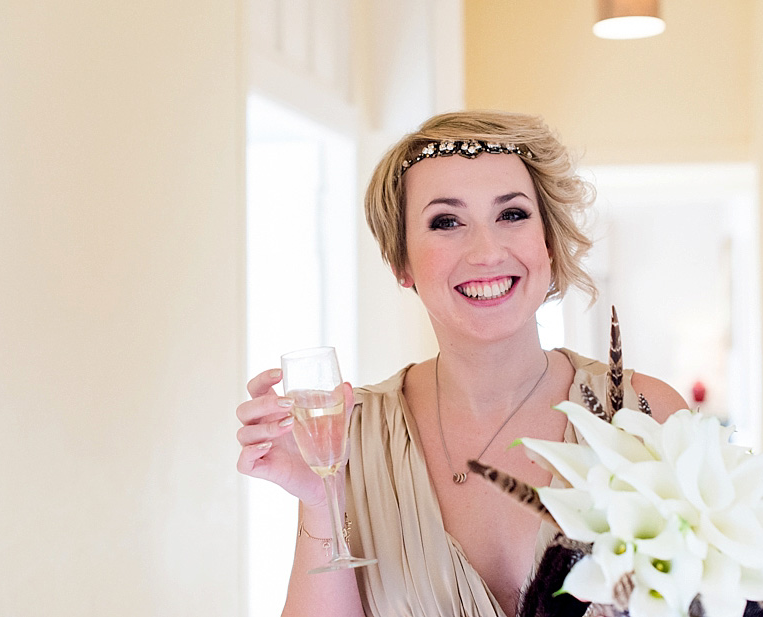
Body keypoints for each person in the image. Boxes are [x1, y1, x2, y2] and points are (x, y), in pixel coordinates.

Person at [236, 110, 688, 617]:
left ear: (548, 241)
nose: (487, 251)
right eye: (446, 222)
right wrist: (320, 499)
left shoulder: (647, 414)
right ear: (401, 262)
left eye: (512, 215)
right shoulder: (349, 436)